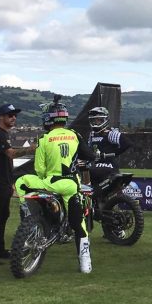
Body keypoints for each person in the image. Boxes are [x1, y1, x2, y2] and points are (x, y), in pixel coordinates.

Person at [14, 97, 94, 273]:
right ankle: (85, 263)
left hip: (49, 183)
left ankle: (27, 214)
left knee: (21, 181)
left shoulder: (44, 139)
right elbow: (90, 156)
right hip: (70, 184)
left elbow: (39, 169)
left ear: (48, 119)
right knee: (79, 224)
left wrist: (45, 179)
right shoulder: (74, 135)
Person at [0, 104, 36, 266]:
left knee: (3, 216)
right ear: (1, 117)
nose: (13, 118)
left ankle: (0, 249)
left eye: (15, 115)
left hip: (5, 182)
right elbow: (11, 153)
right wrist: (31, 149)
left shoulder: (4, 134)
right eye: (10, 115)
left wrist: (10, 182)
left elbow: (7, 160)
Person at [86, 107, 132, 187]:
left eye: (98, 120)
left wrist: (114, 153)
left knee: (92, 172)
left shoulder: (110, 133)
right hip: (95, 164)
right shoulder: (92, 135)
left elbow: (127, 143)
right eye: (94, 120)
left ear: (105, 120)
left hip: (109, 165)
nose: (96, 123)